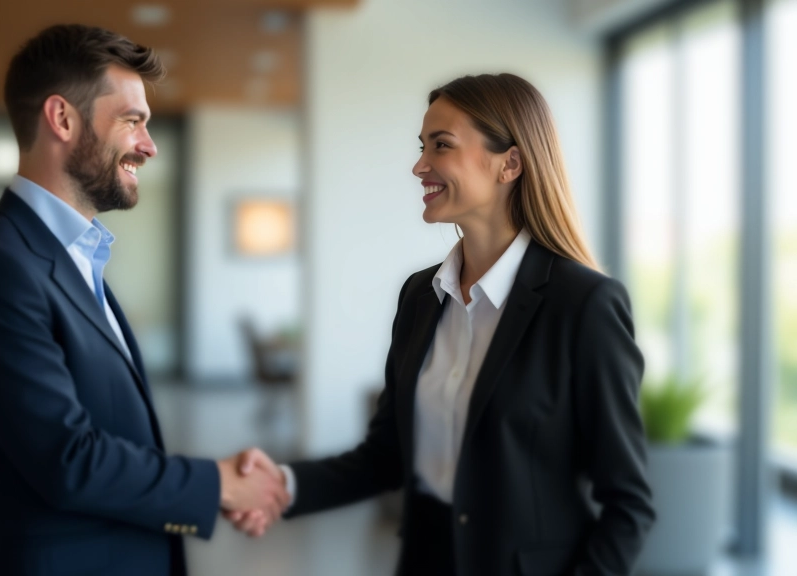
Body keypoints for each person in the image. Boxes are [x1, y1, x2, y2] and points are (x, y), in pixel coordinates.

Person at [228, 73, 656, 575]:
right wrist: (283, 483)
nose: (419, 165)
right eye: (422, 146)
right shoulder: (420, 296)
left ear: (509, 164)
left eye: (441, 146)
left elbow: (629, 505)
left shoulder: (583, 304)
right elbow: (387, 454)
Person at [0, 24, 288, 576]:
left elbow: (110, 431)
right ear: (63, 119)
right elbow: (67, 458)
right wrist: (218, 483)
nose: (149, 144)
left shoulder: (73, 256)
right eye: (132, 121)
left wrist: (218, 485)